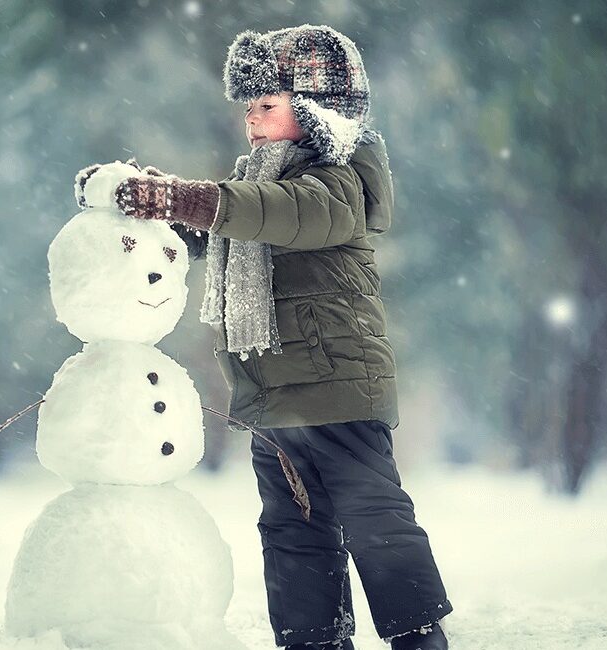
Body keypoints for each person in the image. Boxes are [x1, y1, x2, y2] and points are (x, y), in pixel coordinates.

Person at [74, 24, 452, 650]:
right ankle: (312, 638)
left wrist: (194, 198)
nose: (252, 121)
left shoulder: (340, 181)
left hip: (337, 385)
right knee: (291, 528)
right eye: (248, 108)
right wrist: (144, 199)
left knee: (372, 516)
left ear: (316, 111)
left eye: (268, 106)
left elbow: (275, 211)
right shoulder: (256, 182)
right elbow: (225, 220)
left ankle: (417, 633)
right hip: (274, 391)